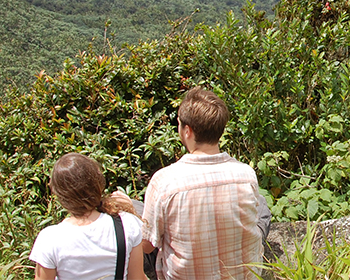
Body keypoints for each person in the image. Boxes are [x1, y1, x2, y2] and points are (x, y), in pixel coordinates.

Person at [141, 86, 270, 280]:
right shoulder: (246, 174)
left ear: (187, 131)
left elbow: (146, 246)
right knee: (262, 206)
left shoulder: (164, 181)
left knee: (139, 212)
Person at [30, 152, 146, 280]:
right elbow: (137, 277)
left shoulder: (50, 239)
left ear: (59, 195)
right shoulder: (127, 224)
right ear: (98, 184)